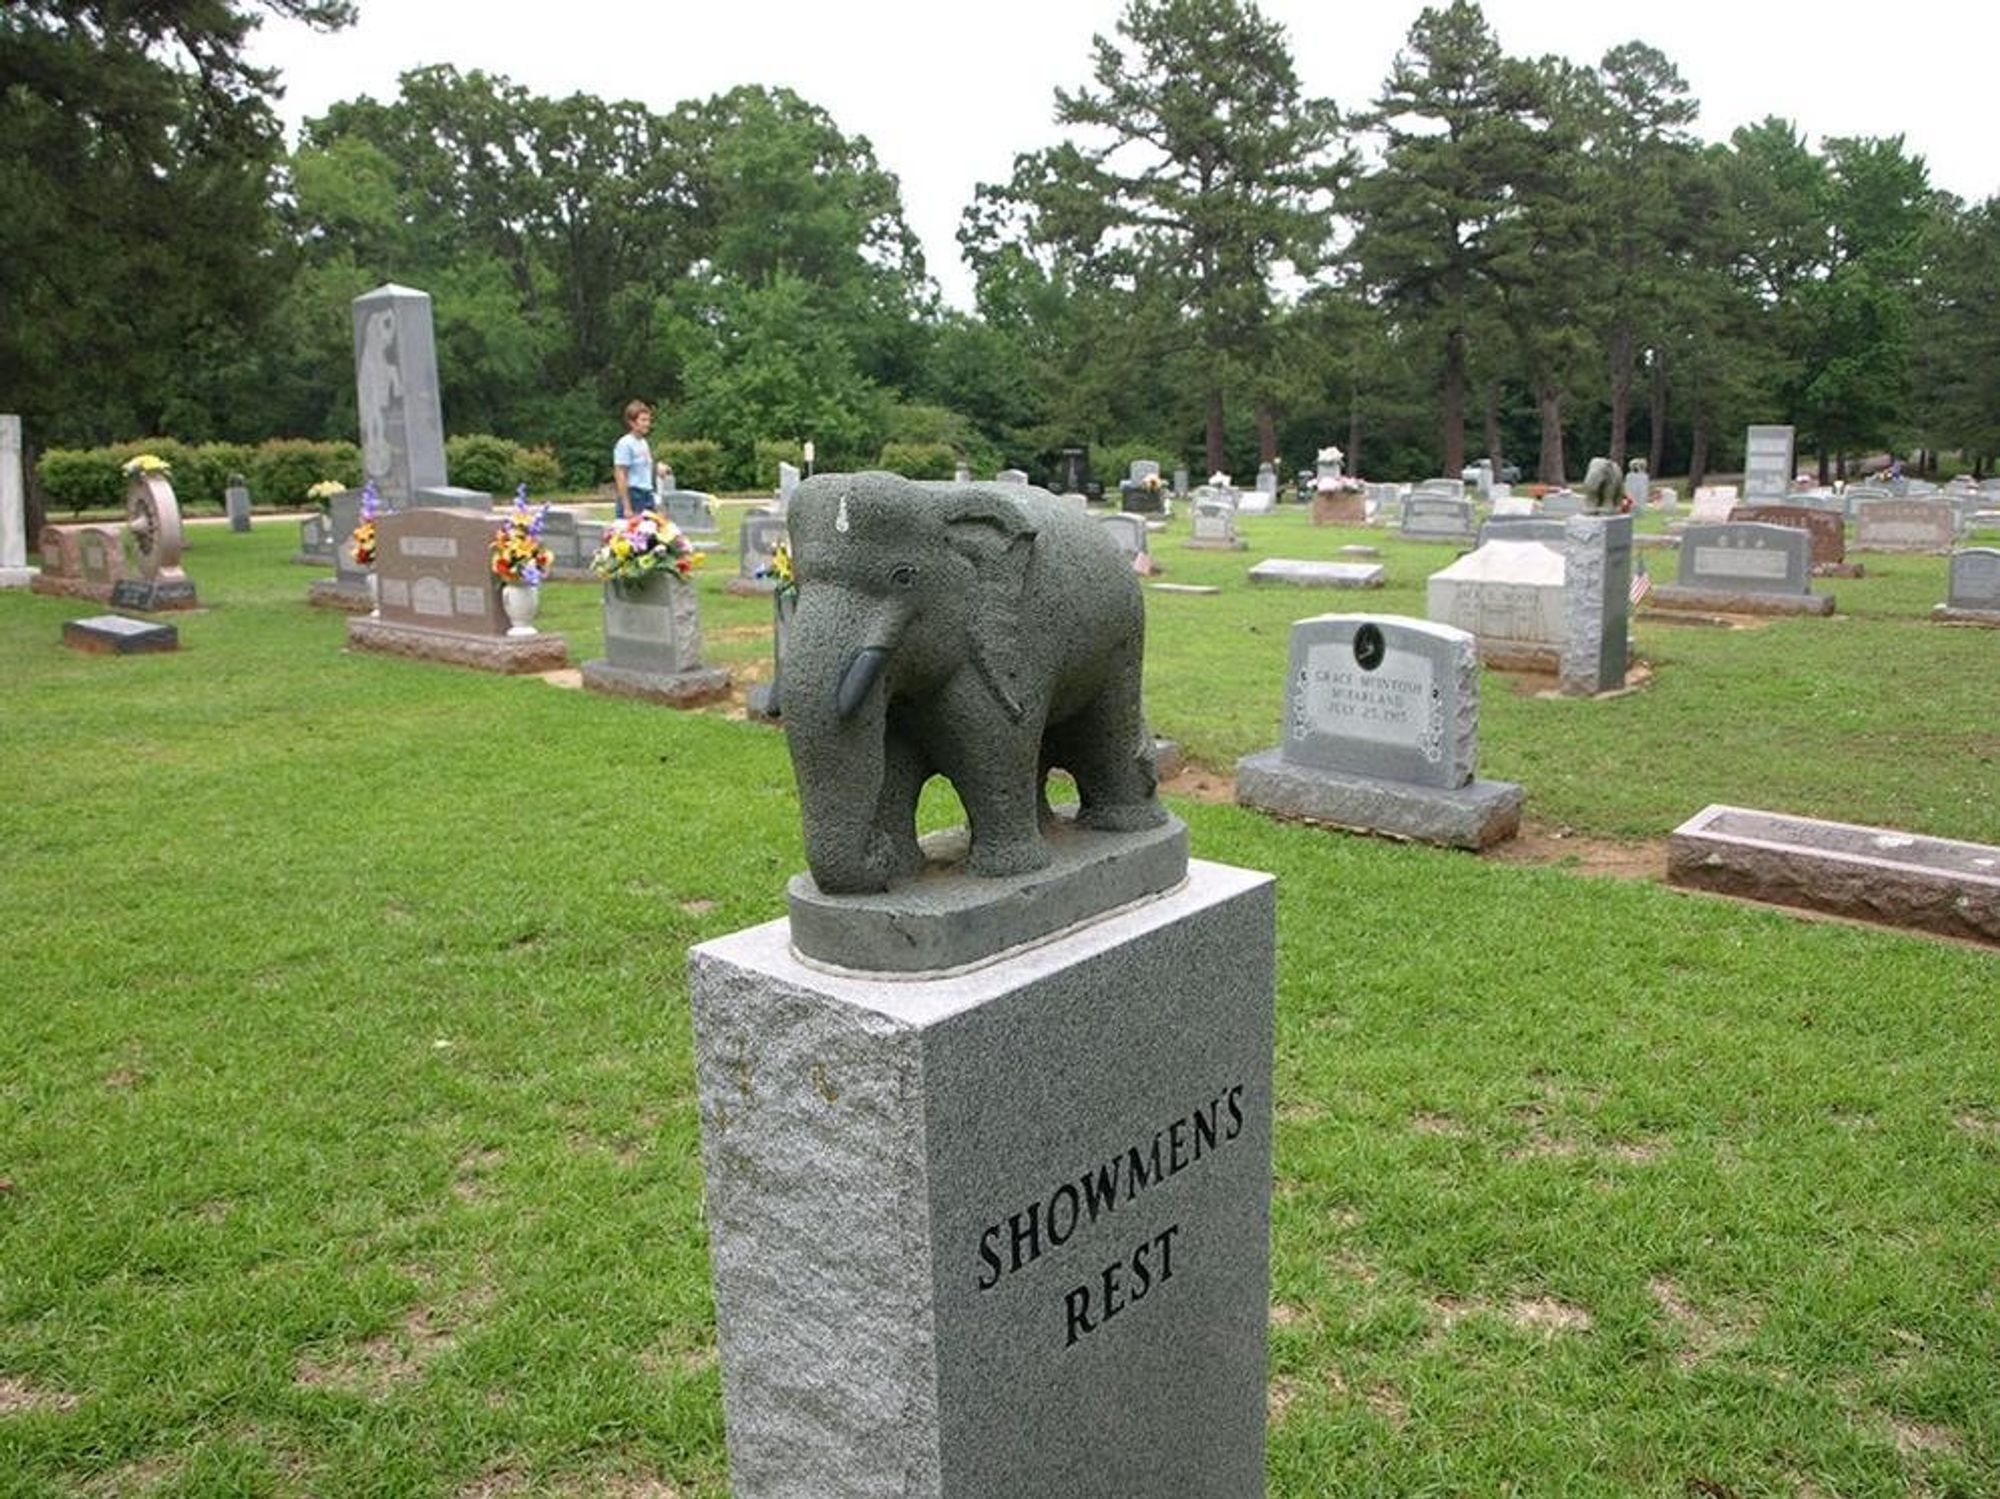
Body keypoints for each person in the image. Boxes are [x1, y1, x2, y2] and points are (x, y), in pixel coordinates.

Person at [613, 400, 657, 516]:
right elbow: (621, 474)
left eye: (648, 420)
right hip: (633, 494)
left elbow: (644, 469)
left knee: (650, 531)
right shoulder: (625, 443)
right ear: (632, 422)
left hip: (646, 494)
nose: (647, 424)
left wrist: (658, 469)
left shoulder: (643, 443)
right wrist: (627, 507)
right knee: (633, 533)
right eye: (643, 420)